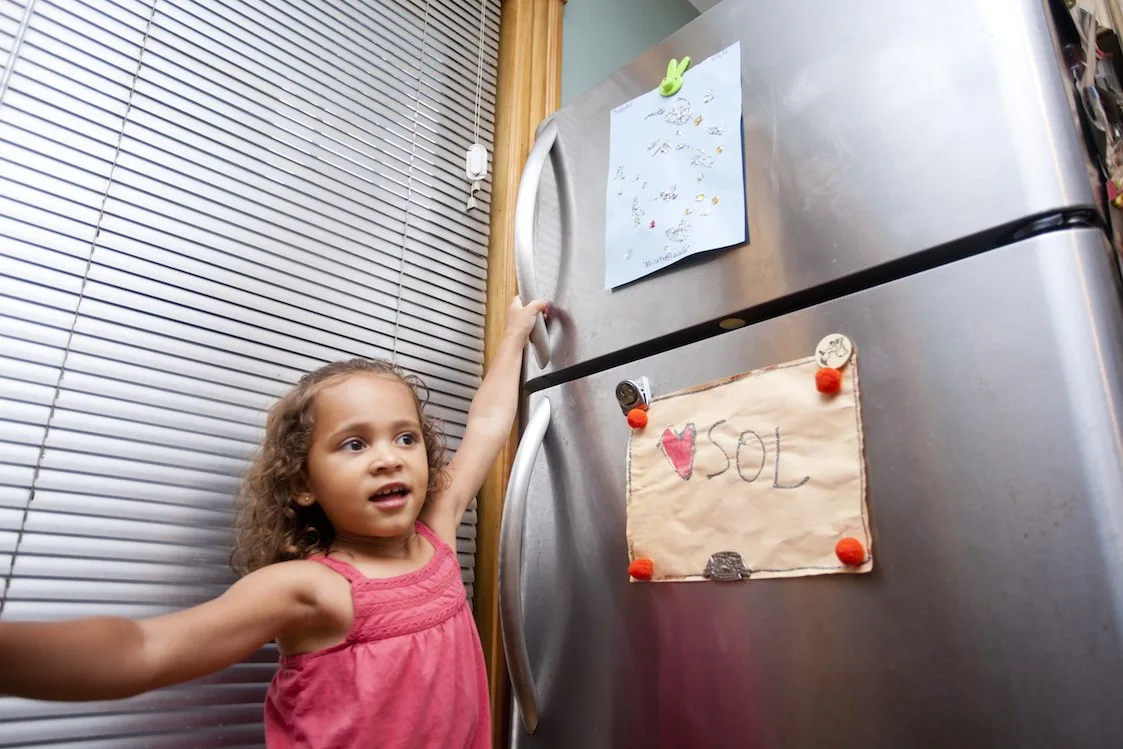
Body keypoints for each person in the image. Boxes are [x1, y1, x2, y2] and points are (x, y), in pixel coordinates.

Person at [0, 296, 549, 749]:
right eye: (354, 444)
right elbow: (141, 649)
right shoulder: (314, 590)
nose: (389, 457)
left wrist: (513, 334)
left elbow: (488, 422)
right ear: (304, 482)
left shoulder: (439, 532)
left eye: (405, 437)